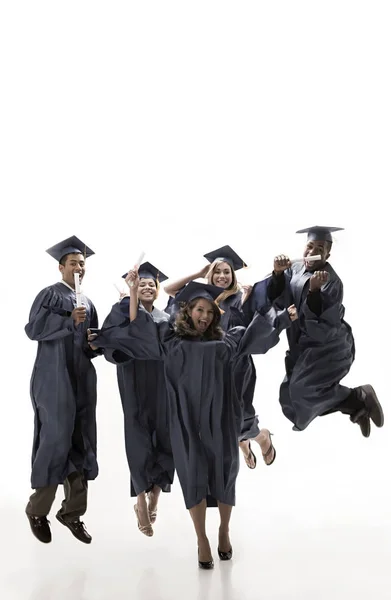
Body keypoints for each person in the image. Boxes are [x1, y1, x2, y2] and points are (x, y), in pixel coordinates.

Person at [92, 271, 297, 568]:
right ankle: (201, 538)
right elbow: (138, 329)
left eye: (209, 311)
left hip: (220, 419)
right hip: (186, 421)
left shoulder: (226, 343)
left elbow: (254, 335)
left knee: (225, 470)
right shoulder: (170, 341)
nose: (204, 315)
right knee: (191, 471)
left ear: (216, 316)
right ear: (187, 312)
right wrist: (121, 312)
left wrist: (282, 319)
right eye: (199, 309)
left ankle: (224, 529)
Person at [243, 225, 384, 437]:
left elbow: (324, 323)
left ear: (328, 253)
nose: (312, 252)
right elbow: (276, 295)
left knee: (302, 392)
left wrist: (315, 290)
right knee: (292, 401)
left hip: (327, 347)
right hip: (302, 345)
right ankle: (356, 405)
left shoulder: (331, 280)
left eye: (319, 248)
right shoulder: (296, 268)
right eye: (309, 246)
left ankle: (358, 397)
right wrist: (278, 274)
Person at [163, 245, 276, 469]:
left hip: (237, 365)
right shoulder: (199, 298)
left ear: (233, 275)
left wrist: (246, 299)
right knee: (216, 418)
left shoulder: (241, 296)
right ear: (210, 274)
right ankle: (242, 441)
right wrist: (198, 274)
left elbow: (252, 325)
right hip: (208, 366)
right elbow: (168, 289)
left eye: (227, 272)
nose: (222, 276)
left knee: (240, 413)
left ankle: (261, 437)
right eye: (217, 271)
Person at [24, 235, 101, 544]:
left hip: (81, 378)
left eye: (82, 264)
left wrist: (95, 342)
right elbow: (34, 329)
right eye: (73, 264)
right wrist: (69, 320)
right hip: (53, 377)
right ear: (61, 267)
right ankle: (37, 510)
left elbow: (86, 343)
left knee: (81, 439)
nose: (79, 268)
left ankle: (72, 513)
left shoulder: (89, 302)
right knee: (56, 439)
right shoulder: (50, 295)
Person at [95, 262, 174, 538]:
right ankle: (140, 499)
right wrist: (132, 343)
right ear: (134, 288)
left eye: (152, 284)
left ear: (158, 289)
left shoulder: (166, 317)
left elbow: (173, 349)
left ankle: (156, 494)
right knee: (138, 434)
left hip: (162, 380)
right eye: (142, 284)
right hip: (133, 378)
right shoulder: (120, 310)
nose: (148, 287)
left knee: (165, 436)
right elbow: (109, 340)